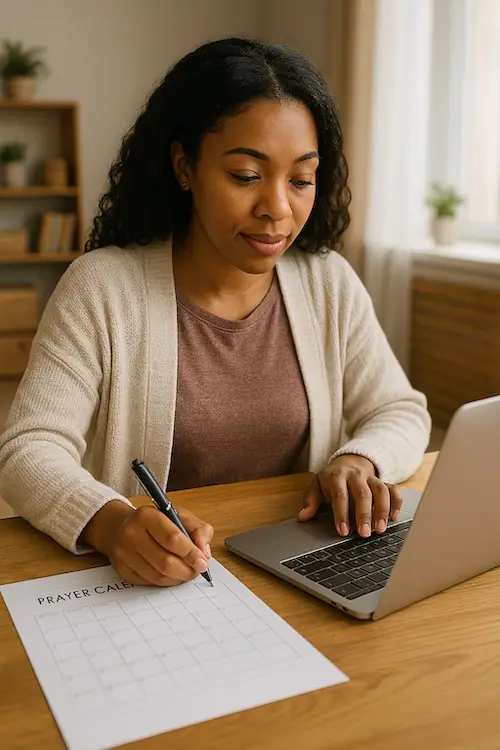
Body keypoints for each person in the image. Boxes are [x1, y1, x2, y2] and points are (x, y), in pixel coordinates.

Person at [0, 37, 431, 588]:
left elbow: (400, 409)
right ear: (185, 166)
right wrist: (111, 522)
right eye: (246, 176)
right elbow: (28, 449)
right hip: (165, 581)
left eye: (301, 179)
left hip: (300, 568)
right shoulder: (103, 287)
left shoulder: (327, 281)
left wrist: (360, 459)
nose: (277, 207)